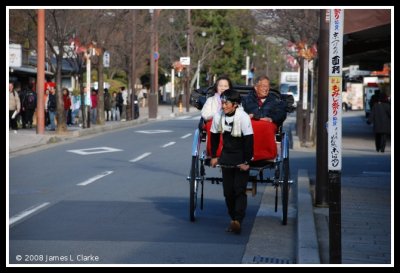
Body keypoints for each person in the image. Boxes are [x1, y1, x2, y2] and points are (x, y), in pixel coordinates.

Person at [209, 89, 254, 235]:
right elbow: (214, 137)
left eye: (226, 103)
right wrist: (214, 156)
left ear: (235, 104)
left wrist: (247, 161)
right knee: (228, 192)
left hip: (241, 156)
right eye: (222, 102)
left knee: (239, 189)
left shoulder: (243, 117)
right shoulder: (218, 116)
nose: (223, 105)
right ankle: (233, 219)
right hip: (226, 156)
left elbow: (249, 141)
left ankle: (238, 220)